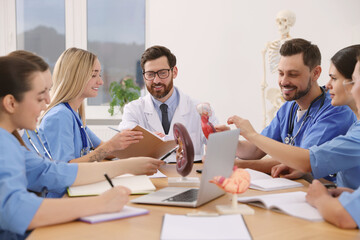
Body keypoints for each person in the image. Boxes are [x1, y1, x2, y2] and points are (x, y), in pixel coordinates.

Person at [0, 56, 158, 239]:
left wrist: (128, 165)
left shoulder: (11, 143)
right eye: (39, 96)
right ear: (11, 103)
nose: (47, 102)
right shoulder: (5, 144)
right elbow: (15, 210)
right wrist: (101, 204)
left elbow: (53, 171)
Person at [226, 45, 360, 189]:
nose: (283, 81)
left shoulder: (336, 111)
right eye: (280, 73)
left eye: (293, 74)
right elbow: (257, 150)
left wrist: (250, 137)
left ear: (315, 73)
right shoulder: (289, 108)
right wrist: (226, 140)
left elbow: (305, 160)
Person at [39, 48, 152, 163]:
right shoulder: (59, 116)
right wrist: (111, 145)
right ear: (75, 77)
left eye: (99, 74)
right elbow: (66, 168)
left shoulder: (74, 115)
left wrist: (146, 142)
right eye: (94, 75)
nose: (101, 82)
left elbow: (104, 150)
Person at [118, 45, 218, 156]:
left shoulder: (200, 109)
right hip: (150, 172)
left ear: (174, 72)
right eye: (150, 74)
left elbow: (219, 146)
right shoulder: (133, 110)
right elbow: (124, 140)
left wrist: (216, 146)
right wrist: (148, 139)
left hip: (189, 173)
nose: (156, 80)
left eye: (162, 73)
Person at [306, 52, 360, 229]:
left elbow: (308, 159)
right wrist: (353, 196)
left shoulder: (338, 115)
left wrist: (320, 198)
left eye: (354, 80)